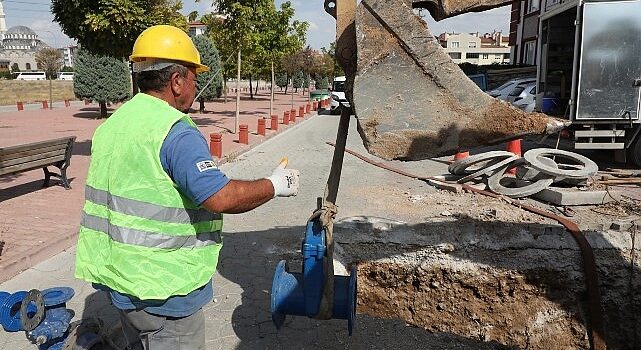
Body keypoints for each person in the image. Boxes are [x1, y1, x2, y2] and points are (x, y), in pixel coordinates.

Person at [73, 25, 300, 349]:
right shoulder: (175, 131)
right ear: (177, 81)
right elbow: (219, 197)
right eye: (194, 77)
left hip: (121, 281)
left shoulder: (114, 125)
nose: (197, 86)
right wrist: (275, 184)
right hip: (164, 290)